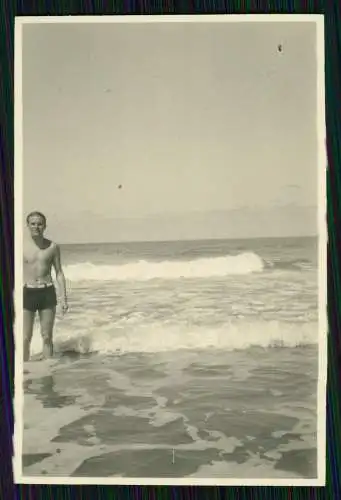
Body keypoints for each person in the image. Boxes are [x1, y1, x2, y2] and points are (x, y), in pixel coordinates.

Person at [23, 211, 68, 361]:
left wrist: (64, 298)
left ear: (45, 226)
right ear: (28, 225)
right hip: (26, 292)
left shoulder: (53, 247)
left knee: (47, 336)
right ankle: (24, 374)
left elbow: (59, 273)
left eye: (40, 224)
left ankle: (48, 373)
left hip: (47, 292)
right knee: (24, 337)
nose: (36, 227)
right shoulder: (19, 245)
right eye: (33, 223)